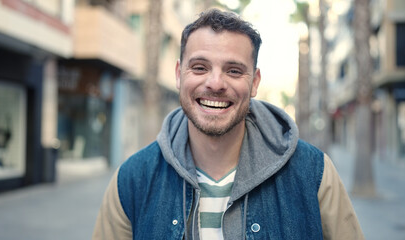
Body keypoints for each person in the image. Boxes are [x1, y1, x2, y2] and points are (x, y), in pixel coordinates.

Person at [93, 8, 364, 240]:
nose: (215, 83)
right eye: (199, 67)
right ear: (179, 75)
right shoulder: (131, 180)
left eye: (233, 71)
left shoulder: (313, 174)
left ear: (255, 82)